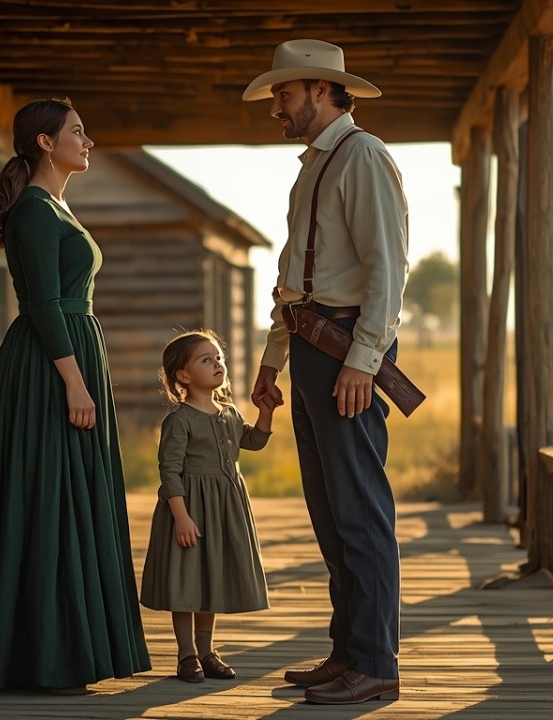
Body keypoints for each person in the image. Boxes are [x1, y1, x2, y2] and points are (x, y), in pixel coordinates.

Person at [0, 97, 151, 695]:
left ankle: (67, 645)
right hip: (48, 370)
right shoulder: (33, 213)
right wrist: (74, 381)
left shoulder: (55, 207)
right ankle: (33, 651)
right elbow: (44, 305)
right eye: (78, 132)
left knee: (69, 498)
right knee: (42, 497)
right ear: (46, 143)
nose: (89, 141)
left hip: (68, 356)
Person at [242, 39, 410, 705]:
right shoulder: (312, 167)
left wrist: (363, 361)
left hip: (347, 354)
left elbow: (387, 272)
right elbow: (292, 280)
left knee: (360, 511)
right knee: (330, 510)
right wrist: (269, 363)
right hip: (312, 348)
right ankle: (348, 653)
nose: (276, 107)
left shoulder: (362, 155)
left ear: (319, 88)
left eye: (283, 94)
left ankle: (376, 663)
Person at [139, 330, 275, 684]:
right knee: (185, 582)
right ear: (183, 376)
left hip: (223, 508)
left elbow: (254, 441)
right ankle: (186, 655)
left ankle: (206, 651)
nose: (218, 364)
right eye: (206, 359)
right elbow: (169, 470)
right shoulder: (179, 420)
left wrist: (266, 413)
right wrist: (180, 516)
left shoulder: (228, 413)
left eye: (219, 358)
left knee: (209, 578)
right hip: (189, 509)